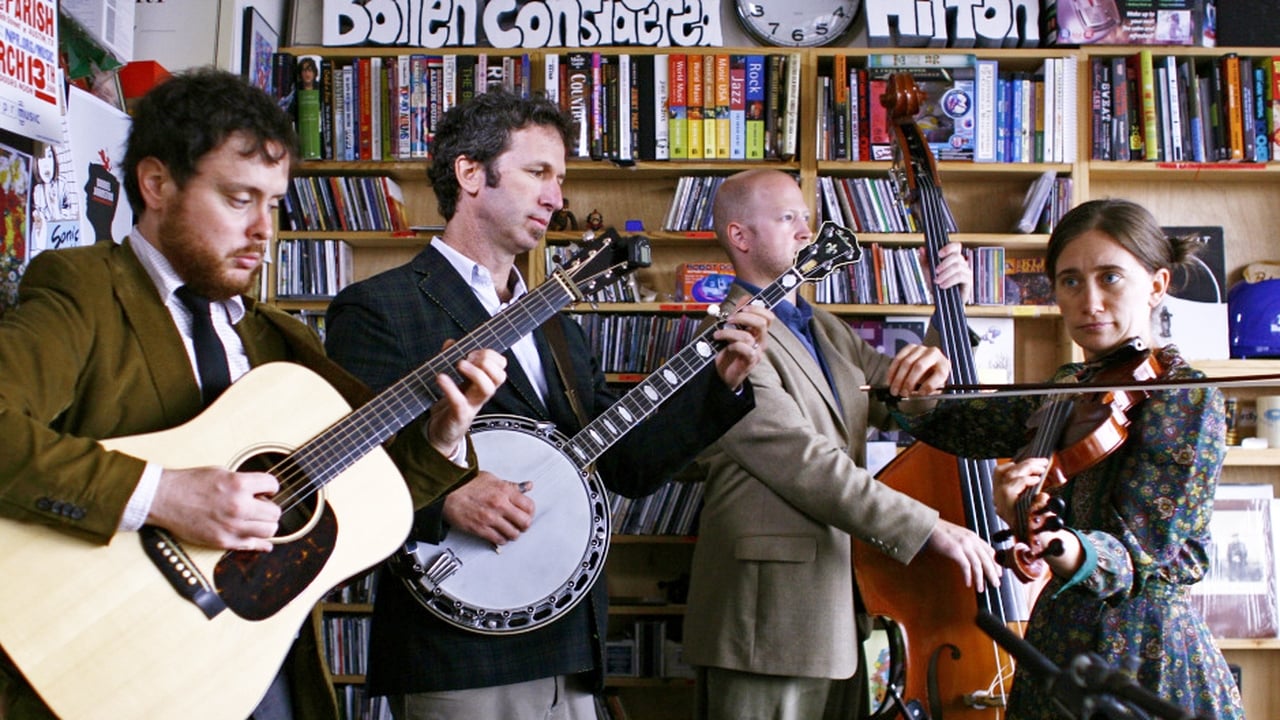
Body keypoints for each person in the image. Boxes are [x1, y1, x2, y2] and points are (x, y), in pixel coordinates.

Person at [0, 68, 505, 720]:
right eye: (240, 200)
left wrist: (443, 434)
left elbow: (351, 512)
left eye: (273, 203)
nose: (265, 230)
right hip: (110, 665)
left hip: (252, 668)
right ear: (156, 184)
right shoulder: (84, 289)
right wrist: (163, 494)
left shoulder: (280, 339)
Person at [322, 89, 772, 720]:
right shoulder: (379, 307)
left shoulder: (554, 319)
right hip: (459, 650)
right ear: (471, 174)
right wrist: (449, 491)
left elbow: (624, 465)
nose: (556, 197)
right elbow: (347, 470)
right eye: (538, 172)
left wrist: (717, 383)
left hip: (569, 641)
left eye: (559, 178)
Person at [894, 198, 1244, 719]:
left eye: (1111, 278)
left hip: (1140, 655)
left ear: (1156, 285)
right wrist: (921, 397)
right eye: (1071, 281)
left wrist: (1050, 540)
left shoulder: (1184, 397)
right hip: (1058, 642)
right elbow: (963, 424)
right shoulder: (1067, 386)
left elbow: (1138, 554)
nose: (1090, 301)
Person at [683, 168, 1002, 720]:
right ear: (741, 237)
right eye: (789, 218)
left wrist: (948, 315)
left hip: (838, 612)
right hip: (766, 622)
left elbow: (902, 397)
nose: (807, 230)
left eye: (807, 218)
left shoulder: (824, 327)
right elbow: (810, 466)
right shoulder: (724, 338)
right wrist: (929, 528)